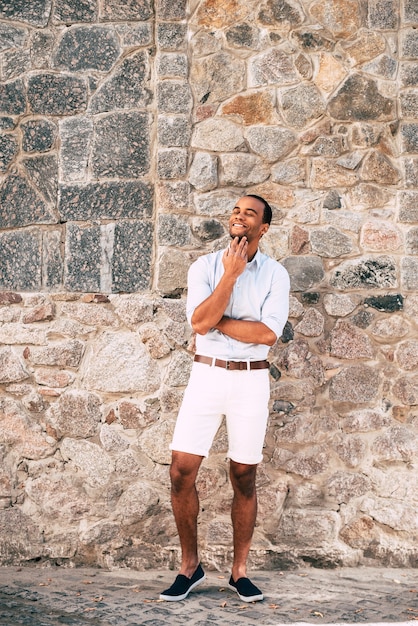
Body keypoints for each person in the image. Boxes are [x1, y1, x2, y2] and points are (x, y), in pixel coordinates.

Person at [160, 194, 290, 603]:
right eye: (236, 210)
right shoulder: (205, 266)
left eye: (250, 213)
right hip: (206, 375)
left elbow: (267, 335)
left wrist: (218, 320)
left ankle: (239, 572)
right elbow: (199, 323)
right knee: (181, 470)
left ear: (263, 228)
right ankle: (190, 567)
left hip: (251, 381)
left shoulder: (275, 274)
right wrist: (229, 276)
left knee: (244, 474)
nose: (239, 216)